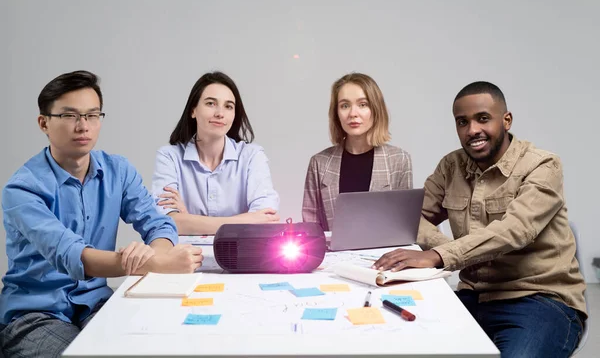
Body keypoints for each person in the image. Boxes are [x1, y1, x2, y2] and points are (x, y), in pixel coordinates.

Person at [373, 81, 586, 358]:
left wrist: (439, 255)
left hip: (540, 301)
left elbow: (515, 230)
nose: (472, 130)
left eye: (483, 118)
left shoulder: (543, 165)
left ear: (506, 120)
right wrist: (439, 246)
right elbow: (410, 218)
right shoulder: (451, 166)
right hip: (472, 297)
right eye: (462, 122)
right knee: (398, 344)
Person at [0, 70, 203, 358]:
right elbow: (72, 255)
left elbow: (158, 223)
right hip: (35, 313)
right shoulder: (22, 189)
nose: (83, 126)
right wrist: (156, 264)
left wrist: (157, 256)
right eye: (70, 116)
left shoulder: (117, 170)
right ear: (43, 123)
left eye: (92, 115)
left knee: (152, 345)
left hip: (96, 303)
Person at [152, 71, 280, 235]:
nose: (220, 113)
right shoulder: (169, 157)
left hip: (241, 259)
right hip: (185, 258)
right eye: (211, 103)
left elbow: (265, 221)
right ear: (193, 110)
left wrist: (189, 220)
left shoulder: (252, 156)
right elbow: (166, 222)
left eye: (228, 106)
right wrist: (246, 220)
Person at [302, 73, 413, 231]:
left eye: (362, 104)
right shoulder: (319, 162)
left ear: (376, 109)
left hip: (383, 254)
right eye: (345, 106)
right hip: (332, 254)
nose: (353, 114)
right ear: (336, 113)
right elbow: (310, 227)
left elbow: (403, 225)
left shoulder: (399, 159)